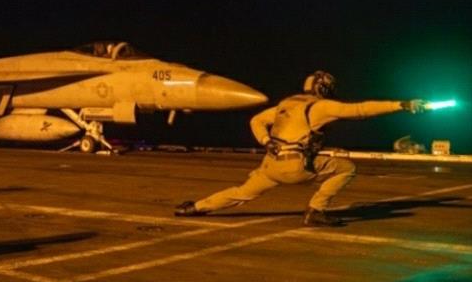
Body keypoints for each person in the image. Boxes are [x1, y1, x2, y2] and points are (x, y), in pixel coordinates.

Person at [174, 70, 427, 226]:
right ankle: (316, 209)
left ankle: (196, 207)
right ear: (323, 88)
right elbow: (360, 110)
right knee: (346, 168)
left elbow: (256, 120)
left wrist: (266, 141)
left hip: (270, 165)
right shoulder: (320, 106)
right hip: (295, 167)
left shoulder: (287, 103)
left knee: (241, 192)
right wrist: (401, 105)